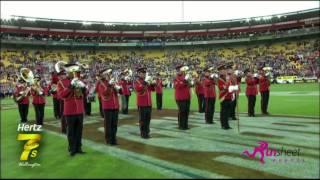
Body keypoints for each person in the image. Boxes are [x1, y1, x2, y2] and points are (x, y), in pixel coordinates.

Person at [58, 63, 86, 156]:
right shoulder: (61, 82)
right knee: (71, 131)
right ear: (67, 72)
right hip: (69, 110)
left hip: (80, 110)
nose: (73, 72)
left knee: (79, 130)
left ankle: (79, 147)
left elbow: (85, 94)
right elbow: (61, 95)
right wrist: (70, 86)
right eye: (71, 71)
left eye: (74, 70)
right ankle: (72, 148)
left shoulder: (79, 80)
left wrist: (84, 87)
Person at [98, 68, 122, 145]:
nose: (108, 75)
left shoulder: (112, 82)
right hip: (107, 107)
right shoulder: (101, 83)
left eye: (108, 73)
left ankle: (114, 139)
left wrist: (118, 88)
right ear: (102, 75)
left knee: (114, 124)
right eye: (106, 74)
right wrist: (109, 85)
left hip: (115, 106)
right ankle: (108, 140)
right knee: (108, 125)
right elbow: (104, 93)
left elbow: (120, 92)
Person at [133, 67, 155, 139]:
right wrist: (145, 82)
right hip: (142, 104)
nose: (144, 74)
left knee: (148, 119)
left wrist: (152, 83)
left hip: (148, 103)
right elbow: (138, 89)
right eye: (142, 73)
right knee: (143, 120)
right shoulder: (137, 81)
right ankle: (143, 133)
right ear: (139, 74)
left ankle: (147, 132)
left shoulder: (146, 81)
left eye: (144, 73)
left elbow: (152, 89)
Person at [217, 63, 238, 130]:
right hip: (223, 97)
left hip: (229, 96)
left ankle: (227, 125)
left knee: (227, 112)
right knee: (223, 112)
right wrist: (229, 85)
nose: (224, 71)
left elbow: (232, 84)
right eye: (222, 70)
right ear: (220, 72)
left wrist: (234, 87)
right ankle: (223, 125)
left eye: (224, 70)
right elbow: (223, 87)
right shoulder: (220, 79)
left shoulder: (228, 77)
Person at [173, 64, 192, 130]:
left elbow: (190, 85)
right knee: (182, 111)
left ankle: (185, 125)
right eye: (178, 70)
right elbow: (177, 86)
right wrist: (184, 81)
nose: (180, 71)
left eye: (181, 70)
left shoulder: (185, 76)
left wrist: (189, 81)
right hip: (180, 98)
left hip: (187, 97)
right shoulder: (176, 78)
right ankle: (181, 125)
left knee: (186, 111)